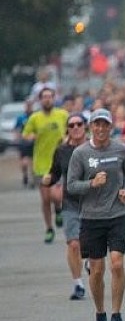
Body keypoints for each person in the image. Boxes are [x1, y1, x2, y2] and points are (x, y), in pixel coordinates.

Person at [65, 109, 125, 321]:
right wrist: (91, 184)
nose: (101, 129)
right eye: (97, 124)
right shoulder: (81, 153)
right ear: (91, 127)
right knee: (96, 270)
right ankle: (100, 313)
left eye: (105, 124)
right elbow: (71, 185)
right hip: (91, 218)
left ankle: (117, 314)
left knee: (117, 263)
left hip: (117, 215)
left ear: (110, 127)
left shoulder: (120, 149)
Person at [42, 112, 89, 300]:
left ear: (85, 126)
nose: (76, 128)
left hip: (94, 204)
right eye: (71, 125)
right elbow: (55, 173)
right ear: (67, 129)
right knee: (73, 243)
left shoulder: (94, 148)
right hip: (70, 203)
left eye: (79, 124)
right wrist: (49, 179)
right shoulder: (61, 151)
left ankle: (89, 259)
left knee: (90, 245)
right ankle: (78, 284)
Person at [21, 88, 69, 242]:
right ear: (40, 100)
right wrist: (31, 136)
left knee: (56, 195)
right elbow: (25, 135)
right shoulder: (35, 118)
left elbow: (71, 130)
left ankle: (58, 209)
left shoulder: (62, 115)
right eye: (44, 97)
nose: (47, 99)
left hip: (58, 162)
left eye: (50, 97)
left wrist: (66, 138)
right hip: (41, 164)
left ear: (54, 99)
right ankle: (49, 228)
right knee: (46, 199)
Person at [15, 99, 34, 187]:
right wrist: (17, 139)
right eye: (27, 105)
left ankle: (32, 179)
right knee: (24, 162)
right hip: (24, 142)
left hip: (33, 141)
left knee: (33, 161)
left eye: (30, 105)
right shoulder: (21, 118)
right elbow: (17, 129)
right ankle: (25, 174)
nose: (29, 107)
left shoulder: (35, 116)